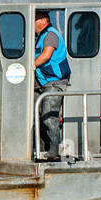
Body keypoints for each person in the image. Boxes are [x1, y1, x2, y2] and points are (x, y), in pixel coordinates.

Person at [33, 10, 71, 159]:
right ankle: (40, 149)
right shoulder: (37, 37)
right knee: (35, 116)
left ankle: (54, 152)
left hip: (55, 81)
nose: (32, 24)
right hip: (42, 81)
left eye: (34, 20)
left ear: (43, 21)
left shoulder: (50, 35)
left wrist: (30, 66)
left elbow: (46, 55)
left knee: (49, 116)